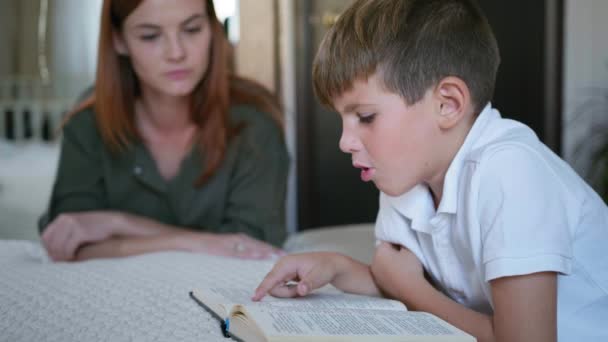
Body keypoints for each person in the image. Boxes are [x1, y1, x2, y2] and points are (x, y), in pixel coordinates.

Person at [252, 0, 608, 341]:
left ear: (447, 104)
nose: (345, 142)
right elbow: (401, 276)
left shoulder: (511, 173)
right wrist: (338, 267)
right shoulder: (408, 174)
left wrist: (413, 291)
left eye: (365, 117)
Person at [39, 0, 289, 262]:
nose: (176, 52)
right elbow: (68, 241)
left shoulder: (255, 123)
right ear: (119, 40)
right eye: (150, 36)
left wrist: (118, 223)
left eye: (192, 29)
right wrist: (201, 243)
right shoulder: (88, 123)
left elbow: (253, 248)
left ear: (212, 30)